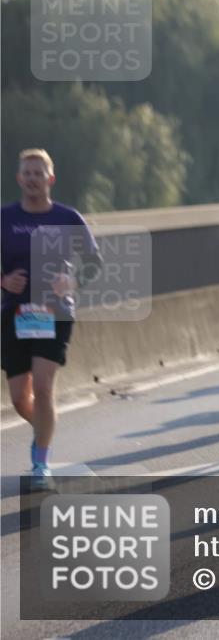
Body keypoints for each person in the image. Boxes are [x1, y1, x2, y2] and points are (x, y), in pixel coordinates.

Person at [2, 148, 102, 491]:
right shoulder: (4, 217)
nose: (32, 179)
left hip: (55, 313)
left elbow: (93, 262)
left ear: (50, 179)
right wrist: (3, 281)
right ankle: (44, 429)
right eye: (27, 173)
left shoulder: (68, 217)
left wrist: (71, 281)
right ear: (19, 178)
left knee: (43, 388)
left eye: (38, 173)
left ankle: (40, 464)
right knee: (20, 398)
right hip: (14, 313)